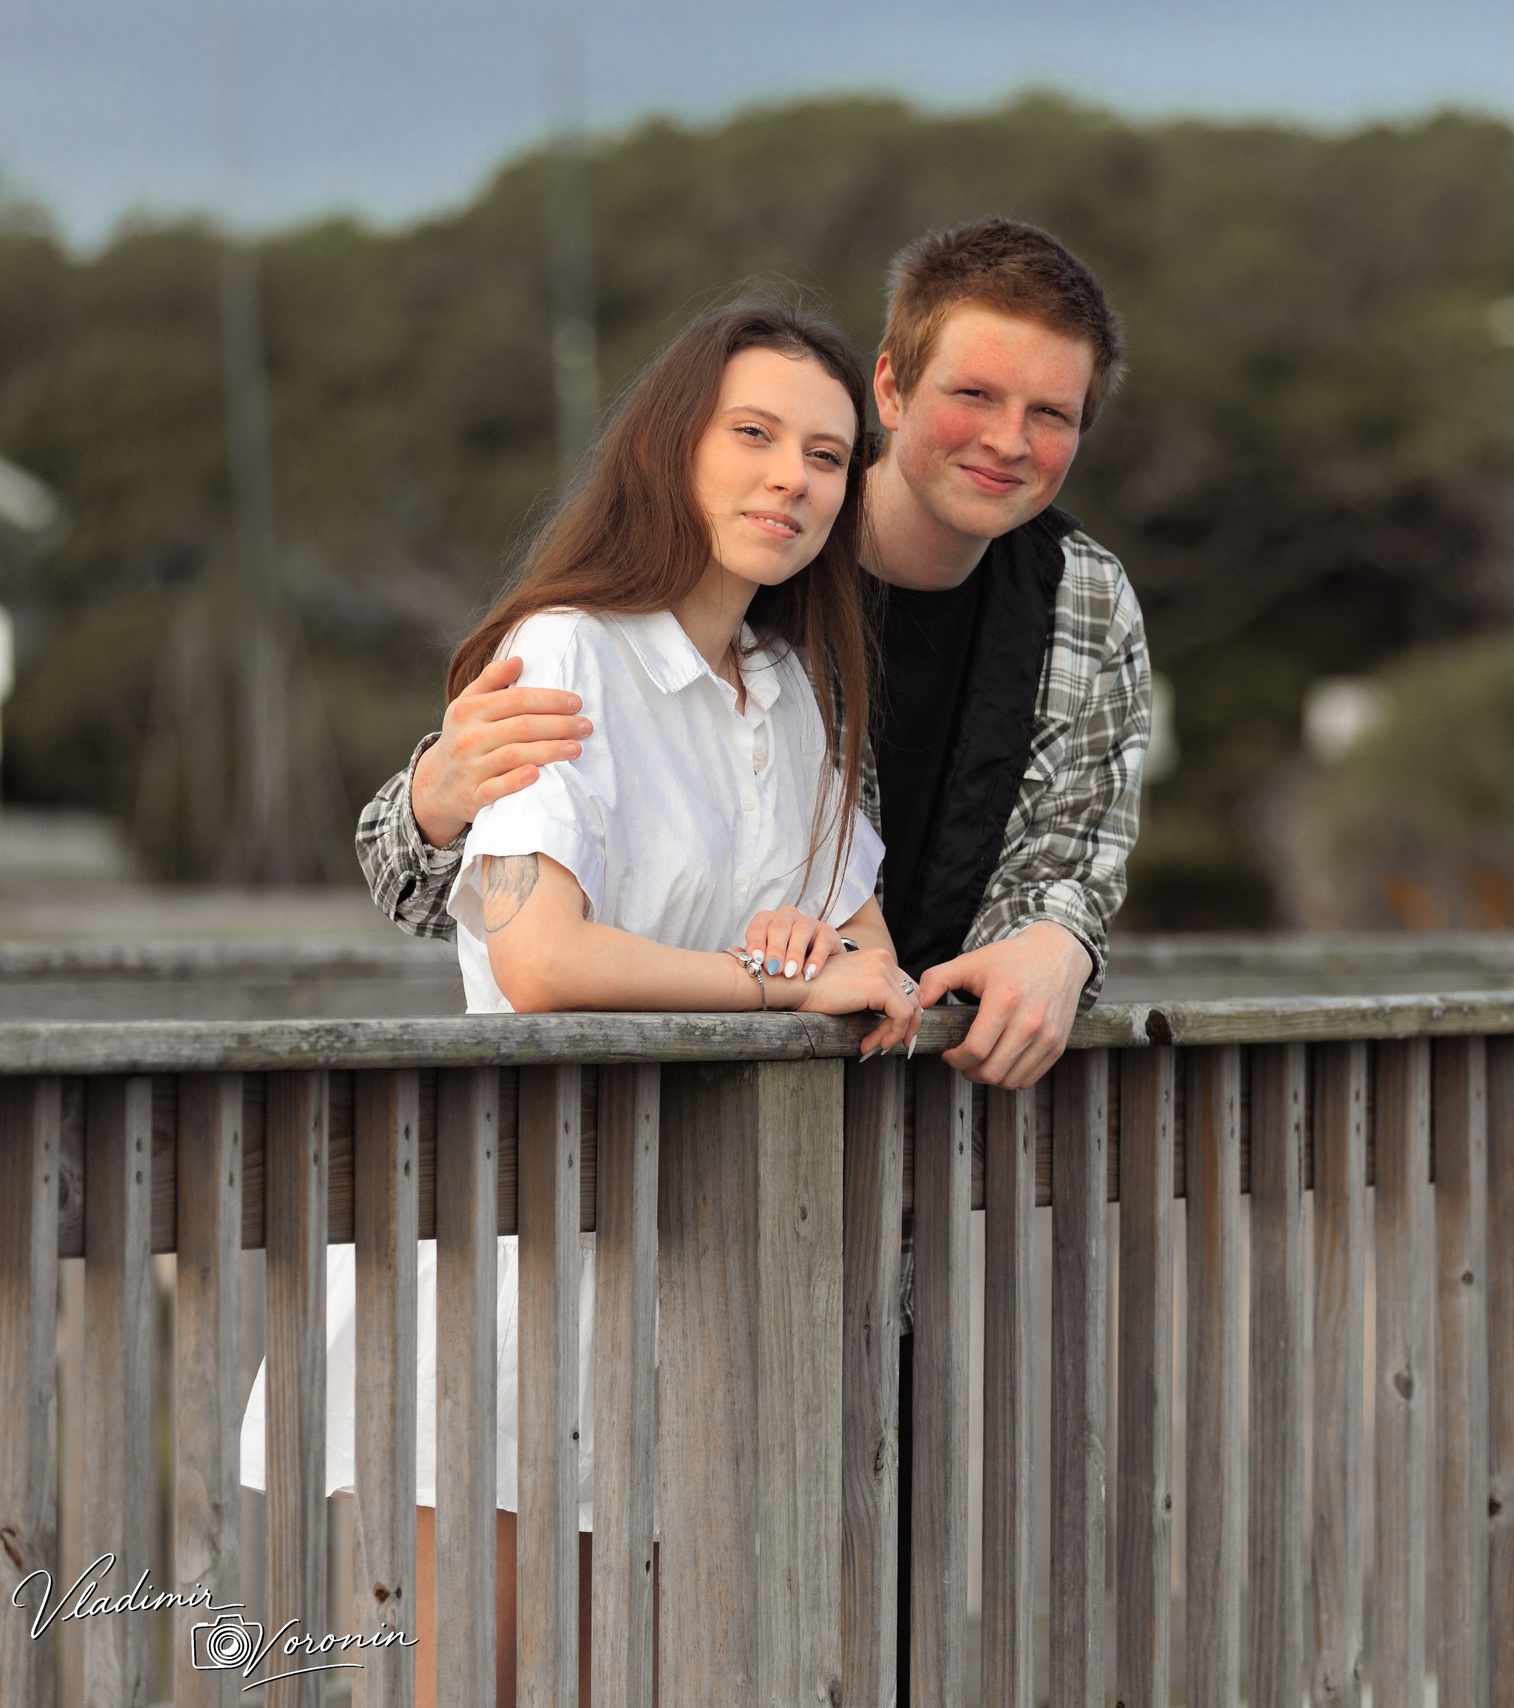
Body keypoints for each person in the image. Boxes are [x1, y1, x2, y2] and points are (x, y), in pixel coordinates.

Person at [247, 293, 924, 1706]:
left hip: (697, 1272)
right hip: (517, 1252)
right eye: (754, 435)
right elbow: (540, 959)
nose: (791, 479)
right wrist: (772, 979)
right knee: (478, 1680)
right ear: (671, 445)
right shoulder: (565, 650)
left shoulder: (797, 692)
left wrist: (817, 956)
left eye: (826, 453)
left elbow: (871, 972)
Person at [356, 218, 1151, 1091]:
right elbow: (499, 928)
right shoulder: (742, 565)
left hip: (914, 1108)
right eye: (975, 394)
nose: (1007, 439)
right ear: (893, 388)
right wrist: (437, 806)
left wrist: (1059, 939)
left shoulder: (1082, 600)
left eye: (1050, 414)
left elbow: (1059, 863)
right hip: (664, 1127)